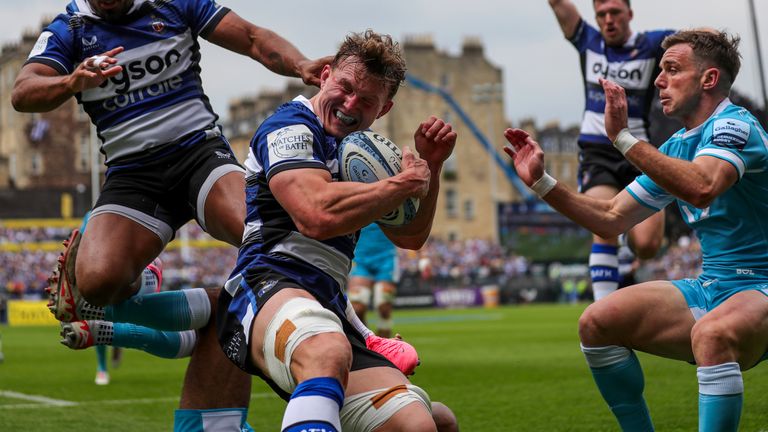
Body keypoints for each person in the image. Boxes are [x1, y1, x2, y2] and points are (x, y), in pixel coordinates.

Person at [11, 0, 330, 429]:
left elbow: (253, 39)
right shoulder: (70, 28)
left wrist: (302, 64)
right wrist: (73, 80)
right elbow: (23, 92)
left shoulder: (175, 4)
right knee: (95, 284)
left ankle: (323, 339)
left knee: (262, 233)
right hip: (133, 175)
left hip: (200, 154)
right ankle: (145, 280)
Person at [503, 28, 768, 432]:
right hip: (716, 286)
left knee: (713, 334)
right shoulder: (678, 147)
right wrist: (542, 183)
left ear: (709, 79)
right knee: (597, 321)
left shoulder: (735, 126)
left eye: (672, 69)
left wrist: (623, 139)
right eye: (660, 69)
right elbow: (611, 216)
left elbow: (702, 186)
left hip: (761, 287)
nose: (659, 79)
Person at [217, 30, 457, 432]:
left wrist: (431, 168)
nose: (350, 105)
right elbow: (314, 214)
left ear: (384, 109)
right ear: (325, 75)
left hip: (328, 303)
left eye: (366, 101)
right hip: (266, 288)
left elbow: (410, 237)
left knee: (428, 423)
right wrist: (399, 185)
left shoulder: (360, 152)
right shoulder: (289, 127)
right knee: (327, 351)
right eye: (345, 88)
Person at [547, 0, 672, 300]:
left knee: (648, 246)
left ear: (629, 14)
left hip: (639, 150)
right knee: (603, 226)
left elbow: (698, 43)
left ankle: (627, 242)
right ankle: (604, 319)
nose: (608, 20)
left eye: (615, 12)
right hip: (597, 151)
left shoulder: (653, 44)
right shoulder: (588, 41)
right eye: (601, 14)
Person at [348, 223, 399, 337]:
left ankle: (382, 349)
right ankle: (368, 343)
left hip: (387, 257)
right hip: (360, 257)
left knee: (384, 307)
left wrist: (424, 256)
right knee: (357, 307)